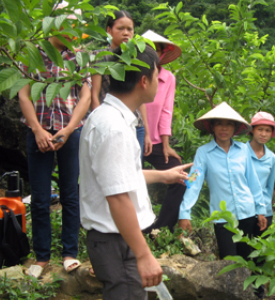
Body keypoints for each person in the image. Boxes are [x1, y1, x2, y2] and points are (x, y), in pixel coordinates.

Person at [79, 45, 192, 299]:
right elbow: (118, 197)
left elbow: (119, 178)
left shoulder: (110, 118)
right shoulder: (114, 128)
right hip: (116, 241)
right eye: (156, 74)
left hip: (117, 238)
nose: (158, 80)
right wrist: (144, 255)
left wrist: (164, 176)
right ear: (143, 81)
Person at [18, 2, 90, 278]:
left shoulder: (77, 56)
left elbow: (84, 96)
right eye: (68, 25)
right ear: (55, 23)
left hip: (69, 132)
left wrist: (70, 129)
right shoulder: (32, 53)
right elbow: (24, 93)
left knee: (71, 193)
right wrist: (37, 130)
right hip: (39, 131)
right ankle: (42, 256)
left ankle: (69, 253)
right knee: (39, 196)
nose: (73, 32)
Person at [178, 102, 267, 259]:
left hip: (247, 214)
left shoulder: (244, 150)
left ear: (235, 128)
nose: (224, 128)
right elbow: (193, 182)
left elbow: (253, 182)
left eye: (229, 124)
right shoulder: (203, 153)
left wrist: (261, 210)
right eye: (219, 124)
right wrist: (184, 213)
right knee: (229, 261)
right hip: (223, 218)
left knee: (248, 260)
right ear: (212, 127)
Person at [90, 10, 152, 161]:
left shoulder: (136, 57)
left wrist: (147, 132)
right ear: (109, 30)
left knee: (135, 172)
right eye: (120, 28)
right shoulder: (100, 57)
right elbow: (95, 94)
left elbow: (140, 97)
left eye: (129, 29)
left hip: (136, 124)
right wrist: (99, 124)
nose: (126, 33)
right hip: (111, 124)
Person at [141, 30, 185, 233]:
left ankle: (160, 228)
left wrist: (166, 145)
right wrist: (146, 134)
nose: (153, 53)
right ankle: (135, 228)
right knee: (131, 182)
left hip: (157, 141)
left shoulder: (168, 78)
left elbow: (167, 111)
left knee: (180, 175)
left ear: (162, 53)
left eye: (156, 49)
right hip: (134, 136)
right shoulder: (134, 72)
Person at [246, 111, 275, 299]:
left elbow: (269, 187)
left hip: (265, 212)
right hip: (243, 210)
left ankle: (258, 291)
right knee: (244, 250)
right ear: (252, 130)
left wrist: (264, 210)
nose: (264, 134)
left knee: (261, 252)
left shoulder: (272, 158)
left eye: (268, 130)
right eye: (260, 129)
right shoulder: (240, 152)